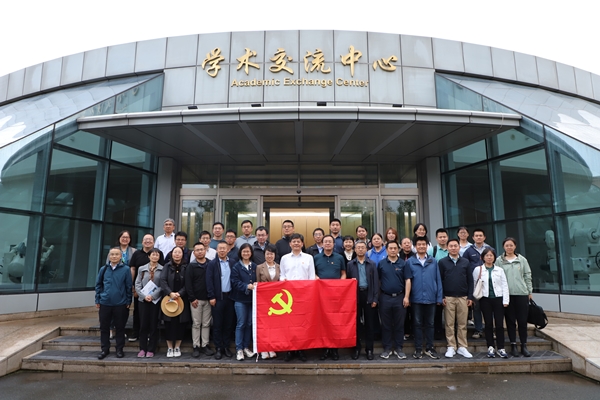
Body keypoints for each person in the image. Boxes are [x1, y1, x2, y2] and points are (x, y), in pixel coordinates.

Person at [495, 237, 533, 357]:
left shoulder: (522, 260)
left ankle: (524, 345)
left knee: (522, 321)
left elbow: (527, 276)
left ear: (515, 246)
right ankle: (513, 345)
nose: (509, 247)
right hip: (507, 296)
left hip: (521, 294)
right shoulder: (499, 261)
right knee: (510, 321)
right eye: (507, 245)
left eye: (511, 245)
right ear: (503, 247)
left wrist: (529, 291)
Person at [280, 233, 315, 361]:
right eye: (293, 241)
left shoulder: (309, 258)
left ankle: (301, 349)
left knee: (302, 323)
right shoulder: (284, 258)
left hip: (304, 296)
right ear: (290, 244)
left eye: (298, 241)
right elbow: (282, 275)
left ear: (302, 244)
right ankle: (290, 349)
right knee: (289, 323)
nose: (296, 243)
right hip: (288, 297)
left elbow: (311, 277)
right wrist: (284, 281)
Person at [407, 237, 443, 359]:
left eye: (424, 244)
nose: (421, 246)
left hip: (431, 297)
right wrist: (408, 297)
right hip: (416, 298)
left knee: (430, 324)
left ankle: (429, 347)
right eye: (419, 244)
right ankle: (418, 349)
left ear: (427, 246)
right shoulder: (410, 262)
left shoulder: (433, 261)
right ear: (415, 247)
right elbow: (407, 281)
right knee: (417, 324)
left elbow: (438, 280)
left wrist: (439, 297)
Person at [438, 239, 473, 358]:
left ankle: (462, 346)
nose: (453, 248)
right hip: (448, 297)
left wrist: (470, 296)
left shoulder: (465, 262)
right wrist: (442, 296)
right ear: (447, 248)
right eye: (451, 246)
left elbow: (470, 280)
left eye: (455, 246)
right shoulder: (442, 262)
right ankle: (451, 346)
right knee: (449, 323)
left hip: (463, 297)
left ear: (459, 247)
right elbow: (440, 280)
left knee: (462, 323)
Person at [95, 247, 132, 360]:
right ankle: (104, 349)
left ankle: (119, 349)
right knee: (104, 327)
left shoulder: (126, 269)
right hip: (105, 302)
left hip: (120, 303)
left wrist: (128, 300)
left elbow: (128, 286)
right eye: (112, 254)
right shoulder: (103, 269)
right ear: (109, 256)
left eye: (116, 254)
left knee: (120, 328)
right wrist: (98, 299)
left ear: (120, 256)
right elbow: (98, 285)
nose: (114, 256)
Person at [313, 234, 346, 361]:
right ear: (322, 244)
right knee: (323, 322)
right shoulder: (316, 258)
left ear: (333, 244)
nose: (327, 243)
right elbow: (313, 273)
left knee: (335, 321)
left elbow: (343, 274)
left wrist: (340, 286)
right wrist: (317, 279)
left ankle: (334, 349)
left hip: (336, 295)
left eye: (330, 242)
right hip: (321, 295)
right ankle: (325, 349)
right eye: (325, 242)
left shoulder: (339, 257)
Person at [377, 241, 412, 359]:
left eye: (395, 248)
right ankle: (387, 348)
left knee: (399, 324)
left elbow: (408, 280)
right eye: (390, 248)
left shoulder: (403, 263)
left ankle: (398, 348)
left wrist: (406, 297)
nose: (393, 250)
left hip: (400, 297)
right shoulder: (381, 264)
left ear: (398, 249)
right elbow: (378, 281)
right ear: (386, 250)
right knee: (386, 324)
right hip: (385, 297)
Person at [129, 234, 165, 342]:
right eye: (146, 239)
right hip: (141, 290)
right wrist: (133, 286)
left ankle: (151, 335)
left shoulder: (159, 254)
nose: (148, 241)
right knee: (138, 312)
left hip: (155, 293)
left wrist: (154, 295)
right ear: (142, 241)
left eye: (150, 240)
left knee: (154, 315)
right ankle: (136, 333)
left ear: (154, 242)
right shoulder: (137, 254)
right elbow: (133, 269)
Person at [346, 240, 379, 360]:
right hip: (355, 295)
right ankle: (356, 348)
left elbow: (376, 282)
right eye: (358, 247)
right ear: (355, 250)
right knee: (356, 324)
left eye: (362, 247)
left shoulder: (372, 264)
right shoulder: (350, 264)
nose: (360, 249)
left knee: (370, 324)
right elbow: (347, 282)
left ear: (366, 250)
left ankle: (369, 349)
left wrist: (375, 298)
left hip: (368, 294)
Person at [477, 248, 510, 358]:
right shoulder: (478, 270)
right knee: (488, 324)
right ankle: (490, 347)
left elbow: (505, 285)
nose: (489, 257)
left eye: (491, 255)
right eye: (487, 255)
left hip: (498, 299)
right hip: (485, 299)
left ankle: (501, 348)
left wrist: (506, 300)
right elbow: (474, 283)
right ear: (483, 257)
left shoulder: (499, 270)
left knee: (499, 324)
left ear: (494, 257)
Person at [463, 229, 495, 340]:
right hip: (475, 283)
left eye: (480, 235)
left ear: (484, 237)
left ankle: (490, 330)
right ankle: (478, 329)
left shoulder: (490, 249)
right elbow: (465, 265)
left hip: (489, 283)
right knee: (476, 308)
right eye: (476, 235)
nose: (478, 237)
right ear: (473, 238)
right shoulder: (468, 251)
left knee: (489, 309)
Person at [105, 230, 137, 339]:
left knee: (124, 307)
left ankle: (120, 329)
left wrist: (132, 283)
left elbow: (134, 267)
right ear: (119, 238)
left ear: (130, 239)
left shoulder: (133, 251)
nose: (125, 239)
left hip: (127, 281)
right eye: (123, 237)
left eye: (127, 237)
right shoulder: (113, 250)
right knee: (111, 306)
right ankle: (111, 329)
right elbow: (107, 266)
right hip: (114, 282)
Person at [206, 241, 236, 359]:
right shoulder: (212, 264)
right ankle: (218, 348)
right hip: (217, 298)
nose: (222, 250)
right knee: (217, 324)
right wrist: (211, 296)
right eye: (220, 248)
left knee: (228, 324)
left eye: (224, 248)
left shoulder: (232, 262)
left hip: (230, 297)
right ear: (217, 250)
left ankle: (226, 347)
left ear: (228, 250)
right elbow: (209, 281)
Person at [185, 242, 215, 358]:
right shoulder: (191, 266)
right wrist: (192, 298)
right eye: (197, 250)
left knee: (206, 323)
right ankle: (196, 346)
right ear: (194, 252)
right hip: (196, 300)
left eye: (202, 249)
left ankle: (205, 345)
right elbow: (188, 284)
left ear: (205, 251)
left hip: (208, 299)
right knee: (197, 324)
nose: (200, 252)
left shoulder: (210, 264)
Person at [160, 246, 190, 357]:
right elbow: (162, 281)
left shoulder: (186, 267)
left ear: (182, 254)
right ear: (171, 254)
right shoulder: (167, 266)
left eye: (179, 252)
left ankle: (177, 346)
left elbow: (188, 283)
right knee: (169, 323)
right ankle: (169, 347)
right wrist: (170, 293)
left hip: (182, 298)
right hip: (168, 298)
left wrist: (179, 293)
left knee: (181, 324)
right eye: (175, 252)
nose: (177, 254)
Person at [134, 248, 163, 358]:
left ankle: (151, 349)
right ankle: (142, 348)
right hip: (143, 300)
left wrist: (153, 296)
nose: (155, 256)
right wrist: (144, 296)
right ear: (149, 256)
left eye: (157, 255)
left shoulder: (162, 269)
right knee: (143, 325)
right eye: (153, 254)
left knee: (153, 325)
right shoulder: (142, 269)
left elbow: (162, 285)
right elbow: (137, 284)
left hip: (155, 301)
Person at [231, 243, 257, 361]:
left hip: (252, 300)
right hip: (240, 299)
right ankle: (239, 349)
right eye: (244, 251)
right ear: (240, 253)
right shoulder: (236, 267)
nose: (246, 253)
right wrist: (246, 286)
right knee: (241, 323)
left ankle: (246, 347)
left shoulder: (255, 266)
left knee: (249, 323)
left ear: (251, 253)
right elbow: (234, 282)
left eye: (248, 251)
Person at [255, 244, 280, 359]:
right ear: (264, 255)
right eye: (267, 254)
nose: (269, 256)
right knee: (264, 324)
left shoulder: (279, 267)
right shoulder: (259, 267)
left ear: (275, 255)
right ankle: (263, 349)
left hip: (276, 301)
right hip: (264, 300)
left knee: (274, 325)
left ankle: (272, 347)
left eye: (271, 254)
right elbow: (257, 282)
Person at [399, 237, 416, 340]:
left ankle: (413, 332)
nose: (407, 245)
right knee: (404, 312)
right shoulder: (398, 256)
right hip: (402, 288)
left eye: (408, 243)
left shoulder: (415, 256)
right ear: (401, 245)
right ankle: (405, 332)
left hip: (414, 288)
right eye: (404, 243)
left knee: (413, 313)